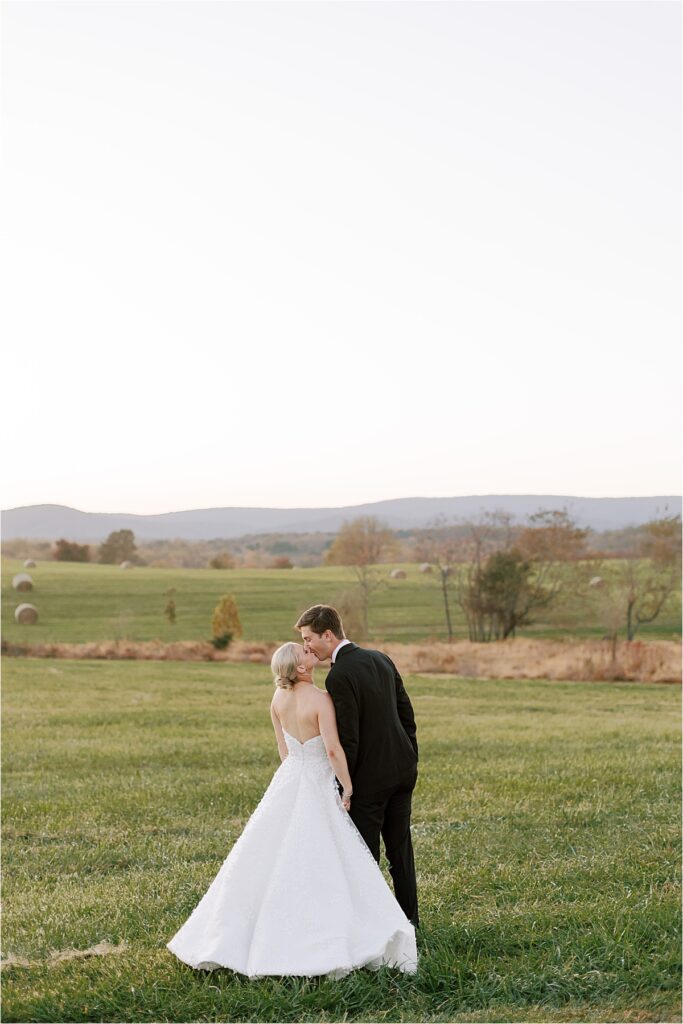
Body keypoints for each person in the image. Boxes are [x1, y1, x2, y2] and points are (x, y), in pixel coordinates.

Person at [166, 642, 417, 978]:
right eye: (303, 653)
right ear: (300, 668)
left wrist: (298, 775)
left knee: (272, 855)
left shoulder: (276, 700)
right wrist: (348, 785)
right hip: (318, 781)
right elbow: (332, 750)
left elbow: (284, 751)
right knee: (327, 857)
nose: (308, 650)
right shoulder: (320, 699)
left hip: (291, 780)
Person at [296, 604, 419, 928]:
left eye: (309, 638)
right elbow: (407, 715)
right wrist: (411, 756)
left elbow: (347, 739)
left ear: (328, 634)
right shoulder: (381, 658)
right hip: (402, 772)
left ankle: (375, 929)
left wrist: (343, 787)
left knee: (364, 859)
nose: (307, 646)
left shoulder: (339, 676)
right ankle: (410, 923)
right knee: (400, 853)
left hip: (369, 781)